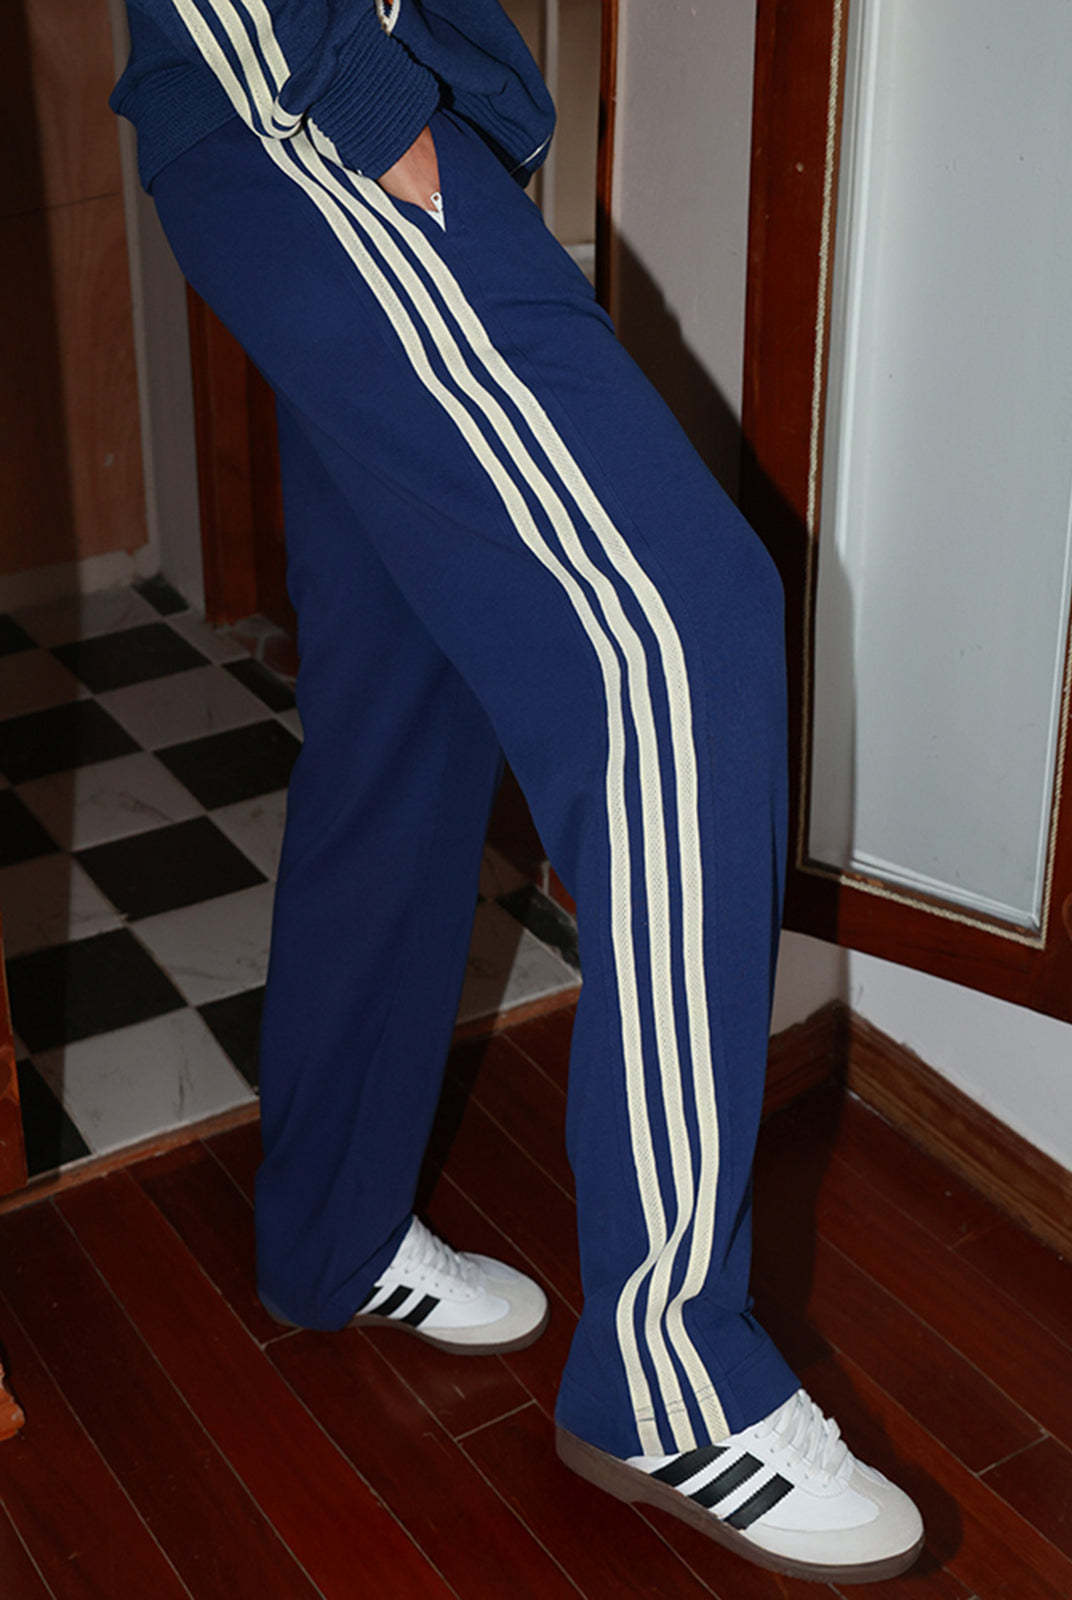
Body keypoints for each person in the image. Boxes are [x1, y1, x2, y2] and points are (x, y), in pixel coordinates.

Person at [110, 0, 924, 1583]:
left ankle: (332, 1232)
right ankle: (673, 1378)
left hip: (323, 122)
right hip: (316, 106)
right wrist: (362, 103)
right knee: (687, 630)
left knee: (402, 704)